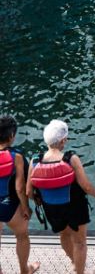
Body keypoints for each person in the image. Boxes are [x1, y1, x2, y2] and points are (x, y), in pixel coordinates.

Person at [27, 120, 95, 274]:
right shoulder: (71, 159)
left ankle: (74, 262)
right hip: (74, 207)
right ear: (63, 140)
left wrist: (39, 200)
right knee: (80, 243)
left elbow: (29, 192)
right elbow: (85, 186)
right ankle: (79, 271)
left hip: (51, 209)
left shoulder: (35, 161)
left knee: (64, 235)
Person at [0, 115, 38, 274]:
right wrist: (26, 207)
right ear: (11, 136)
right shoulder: (16, 157)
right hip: (10, 206)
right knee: (22, 236)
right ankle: (24, 270)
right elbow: (20, 188)